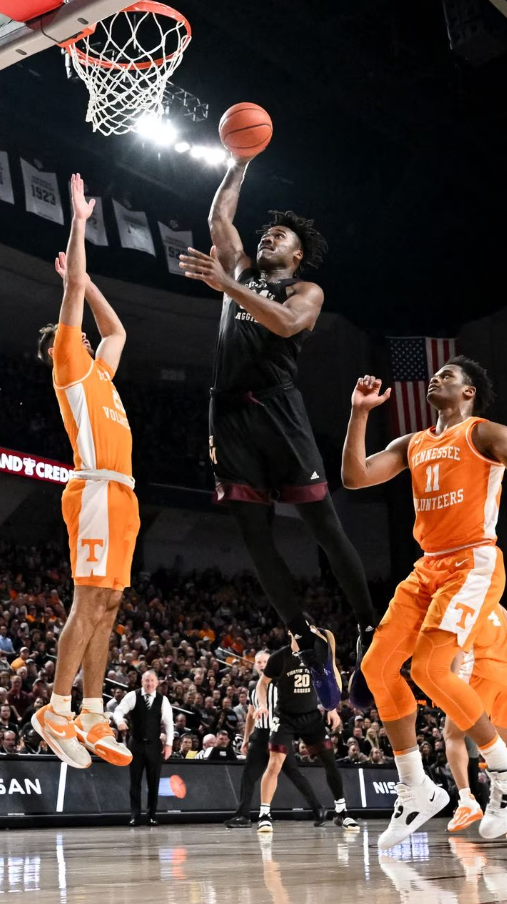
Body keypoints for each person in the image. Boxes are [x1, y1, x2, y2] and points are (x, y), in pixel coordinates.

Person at [179, 158, 379, 709]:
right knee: (254, 535)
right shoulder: (237, 270)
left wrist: (225, 285)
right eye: (266, 232)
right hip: (230, 417)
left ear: (295, 255)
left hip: (279, 412)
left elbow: (286, 324)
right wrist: (238, 163)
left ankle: (367, 631)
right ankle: (303, 636)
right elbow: (220, 215)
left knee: (324, 528)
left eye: (280, 236)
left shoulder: (305, 290)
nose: (268, 237)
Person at [342, 362, 507, 844]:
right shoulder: (413, 443)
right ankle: (416, 787)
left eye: (446, 374)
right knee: (377, 669)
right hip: (428, 567)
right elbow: (355, 477)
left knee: (429, 669)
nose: (434, 379)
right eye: (434, 375)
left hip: (472, 560)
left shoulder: (484, 432)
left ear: (468, 391)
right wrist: (359, 414)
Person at [29, 173, 135, 773]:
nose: (85, 334)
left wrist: (91, 282)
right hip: (94, 488)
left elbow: (118, 330)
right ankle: (56, 706)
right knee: (89, 598)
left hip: (123, 494)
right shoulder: (69, 363)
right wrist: (79, 226)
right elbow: (70, 295)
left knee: (112, 600)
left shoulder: (103, 372)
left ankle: (93, 712)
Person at [445, 606, 507, 833]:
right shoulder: (497, 603)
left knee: (452, 734)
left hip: (479, 672)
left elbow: (458, 646)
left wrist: (449, 683)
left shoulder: (463, 599)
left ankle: (466, 801)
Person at [252, 638, 356, 834]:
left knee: (329, 761)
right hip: (285, 717)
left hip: (311, 716)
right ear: (292, 632)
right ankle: (264, 815)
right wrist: (263, 705)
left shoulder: (316, 653)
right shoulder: (279, 657)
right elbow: (261, 684)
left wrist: (332, 708)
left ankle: (341, 811)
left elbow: (328, 680)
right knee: (274, 763)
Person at [224, 649, 327, 829]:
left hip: (279, 733)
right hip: (260, 734)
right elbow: (250, 714)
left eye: (265, 662)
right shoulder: (253, 686)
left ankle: (318, 808)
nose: (262, 665)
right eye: (259, 662)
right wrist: (247, 738)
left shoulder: (282, 682)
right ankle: (243, 816)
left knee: (294, 774)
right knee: (248, 775)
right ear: (255, 665)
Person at [112, 670, 173, 826]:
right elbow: (118, 711)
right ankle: (135, 815)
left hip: (154, 745)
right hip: (136, 743)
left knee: (154, 782)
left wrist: (169, 744)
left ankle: (152, 815)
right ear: (142, 682)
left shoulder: (162, 700)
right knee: (135, 782)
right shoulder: (133, 696)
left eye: (152, 680)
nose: (149, 684)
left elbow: (168, 724)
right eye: (146, 680)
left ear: (157, 683)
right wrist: (119, 721)